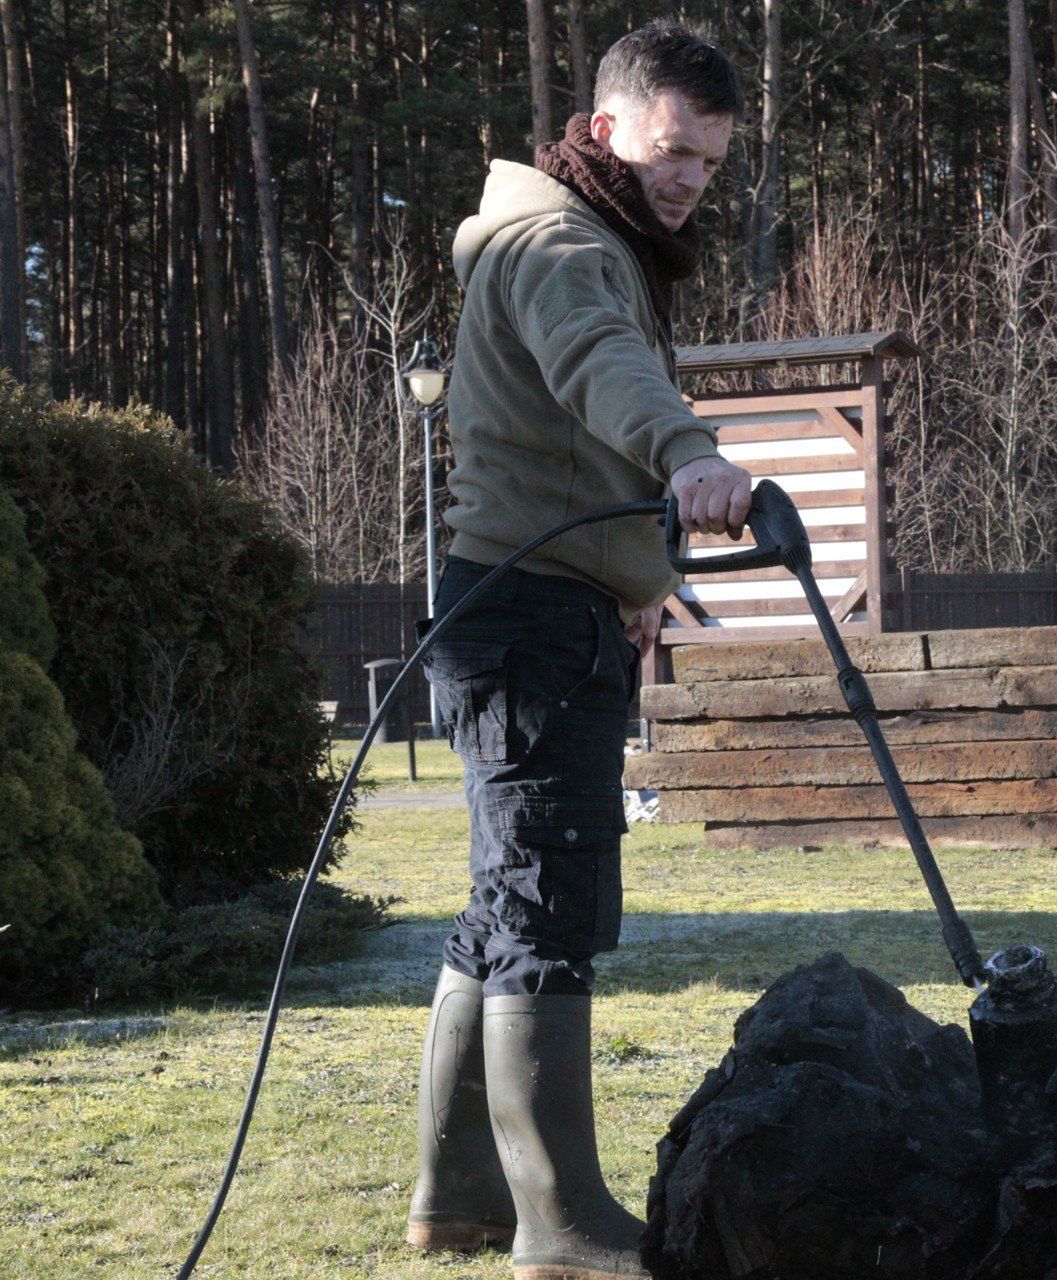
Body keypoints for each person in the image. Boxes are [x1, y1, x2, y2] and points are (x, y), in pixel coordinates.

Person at [404, 21, 750, 1279]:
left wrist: (636, 578)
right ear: (607, 128)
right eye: (672, 151)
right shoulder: (560, 244)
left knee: (504, 896)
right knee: (548, 897)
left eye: (708, 165)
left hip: (546, 605)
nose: (689, 181)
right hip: (528, 617)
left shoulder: (586, 237)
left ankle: (458, 1196)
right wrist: (690, 458)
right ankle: (562, 1224)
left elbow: (569, 436)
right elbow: (604, 373)